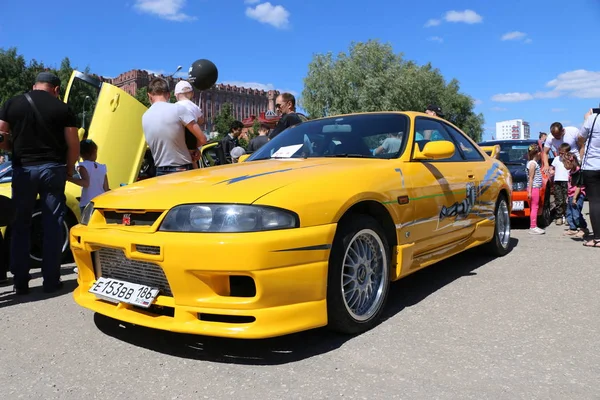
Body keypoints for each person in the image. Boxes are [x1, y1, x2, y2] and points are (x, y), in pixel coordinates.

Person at [0, 72, 80, 294]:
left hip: (22, 170)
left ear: (34, 86)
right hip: (52, 169)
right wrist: (70, 169)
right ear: (55, 89)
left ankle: (21, 282)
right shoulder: (62, 108)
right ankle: (51, 281)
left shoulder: (12, 104)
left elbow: (1, 133)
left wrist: (13, 149)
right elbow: (73, 144)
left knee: (20, 225)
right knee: (53, 224)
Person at [142, 78, 207, 176]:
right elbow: (202, 139)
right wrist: (193, 149)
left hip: (160, 172)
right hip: (182, 169)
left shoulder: (144, 117)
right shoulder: (179, 109)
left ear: (149, 96)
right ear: (168, 94)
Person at [578, 108, 600, 248]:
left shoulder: (592, 119)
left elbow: (580, 138)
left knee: (595, 202)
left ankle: (598, 238)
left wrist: (587, 118)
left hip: (592, 166)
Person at [68, 139, 109, 214]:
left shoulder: (82, 166)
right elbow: (106, 188)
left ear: (81, 154)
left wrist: (70, 179)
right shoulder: (102, 167)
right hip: (101, 202)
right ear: (95, 151)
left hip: (88, 203)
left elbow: (86, 183)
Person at [174, 80, 205, 169]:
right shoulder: (195, 107)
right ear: (191, 93)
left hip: (177, 147)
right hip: (191, 144)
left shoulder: (175, 106)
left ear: (176, 94)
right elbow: (201, 121)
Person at [561, 152, 589, 238]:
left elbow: (578, 186)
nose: (564, 166)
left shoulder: (578, 172)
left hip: (577, 195)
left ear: (570, 162)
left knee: (576, 213)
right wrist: (568, 196)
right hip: (571, 195)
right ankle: (573, 228)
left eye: (565, 164)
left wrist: (574, 198)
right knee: (569, 213)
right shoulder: (571, 172)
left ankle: (583, 228)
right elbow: (570, 186)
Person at [526, 143, 545, 235]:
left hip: (535, 188)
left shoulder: (532, 163)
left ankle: (534, 225)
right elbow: (531, 178)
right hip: (534, 188)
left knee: (535, 207)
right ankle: (533, 226)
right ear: (537, 153)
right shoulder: (532, 164)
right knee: (534, 207)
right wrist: (529, 191)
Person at [551, 143, 570, 225]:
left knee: (567, 200)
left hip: (567, 181)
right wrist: (551, 171)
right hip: (557, 181)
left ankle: (567, 217)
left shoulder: (570, 159)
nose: (561, 155)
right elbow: (552, 168)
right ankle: (559, 216)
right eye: (560, 153)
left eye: (563, 153)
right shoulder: (556, 159)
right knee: (559, 200)